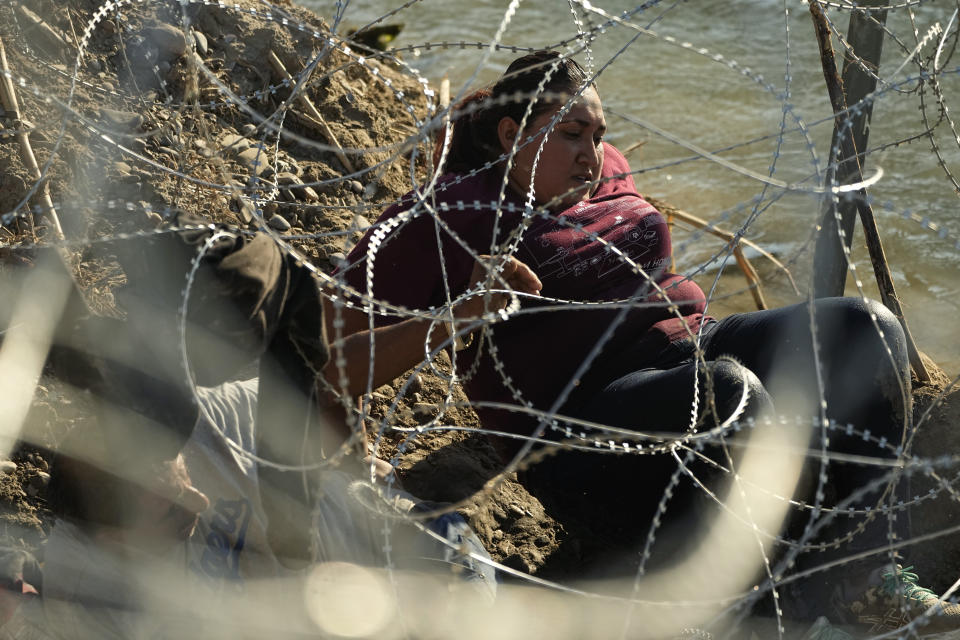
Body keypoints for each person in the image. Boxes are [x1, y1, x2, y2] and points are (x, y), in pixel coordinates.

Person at [330, 50, 958, 631]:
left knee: (863, 326)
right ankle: (775, 604)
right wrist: (464, 313)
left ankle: (862, 575)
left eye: (598, 135)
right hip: (581, 414)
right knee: (727, 397)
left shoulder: (603, 174)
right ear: (512, 135)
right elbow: (331, 350)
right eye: (571, 133)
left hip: (697, 342)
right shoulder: (450, 218)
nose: (592, 153)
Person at [2, 224, 495, 639]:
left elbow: (329, 378)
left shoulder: (201, 417)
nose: (198, 503)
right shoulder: (87, 597)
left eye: (180, 485)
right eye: (173, 519)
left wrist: (462, 315)